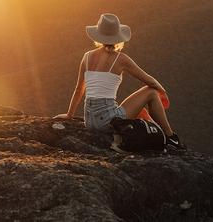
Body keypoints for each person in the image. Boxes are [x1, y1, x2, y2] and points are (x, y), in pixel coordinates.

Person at [54, 13, 185, 149]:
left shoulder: (87, 57)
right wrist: (162, 90)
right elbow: (150, 82)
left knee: (135, 108)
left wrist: (69, 115)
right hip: (107, 121)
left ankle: (162, 135)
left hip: (89, 121)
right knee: (151, 92)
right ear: (118, 37)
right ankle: (171, 138)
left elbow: (79, 89)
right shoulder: (121, 59)